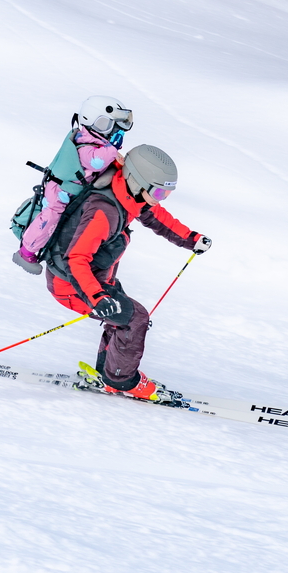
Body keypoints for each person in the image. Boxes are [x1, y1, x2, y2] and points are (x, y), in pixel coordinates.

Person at [43, 144, 212, 401]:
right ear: (136, 181)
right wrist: (97, 297)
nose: (159, 197)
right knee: (135, 319)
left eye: (166, 193)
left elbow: (156, 216)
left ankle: (108, 373)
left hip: (96, 279)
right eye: (158, 191)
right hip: (71, 284)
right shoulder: (104, 211)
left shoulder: (128, 194)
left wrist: (191, 239)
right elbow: (76, 259)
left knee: (122, 317)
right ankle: (121, 380)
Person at [13, 96, 134, 275]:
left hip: (72, 190)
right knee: (51, 216)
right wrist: (113, 148)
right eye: (111, 125)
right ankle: (26, 253)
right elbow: (97, 162)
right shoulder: (85, 145)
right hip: (60, 191)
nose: (115, 131)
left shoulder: (98, 142)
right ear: (96, 123)